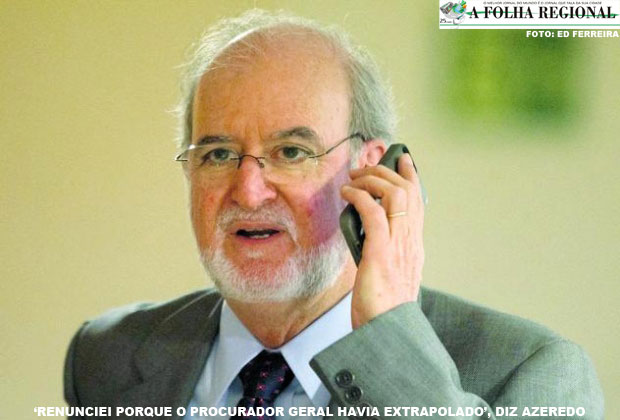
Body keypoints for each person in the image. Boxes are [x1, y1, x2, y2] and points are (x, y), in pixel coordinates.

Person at [64, 9, 604, 420]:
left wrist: (391, 345)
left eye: (291, 152)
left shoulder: (532, 372)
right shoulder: (107, 357)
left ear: (371, 172)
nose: (248, 192)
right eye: (219, 154)